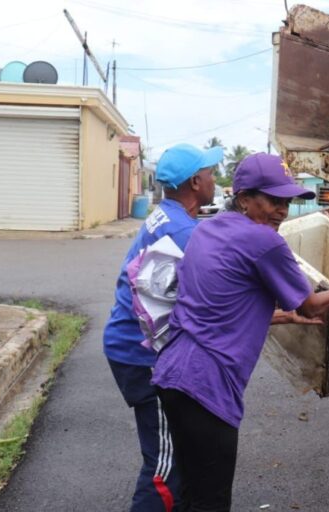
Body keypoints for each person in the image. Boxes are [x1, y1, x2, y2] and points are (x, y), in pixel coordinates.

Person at [151, 153, 329, 511]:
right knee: (211, 502)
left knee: (193, 491)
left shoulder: (208, 228)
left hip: (173, 375)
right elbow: (311, 305)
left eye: (287, 201)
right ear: (245, 199)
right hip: (208, 387)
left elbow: (220, 307)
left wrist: (282, 317)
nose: (281, 210)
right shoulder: (265, 242)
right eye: (272, 200)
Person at [103, 143, 223, 512]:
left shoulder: (165, 216)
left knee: (177, 450)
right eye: (210, 173)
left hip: (131, 342)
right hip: (144, 357)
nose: (215, 179)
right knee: (164, 463)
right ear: (195, 182)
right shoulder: (186, 233)